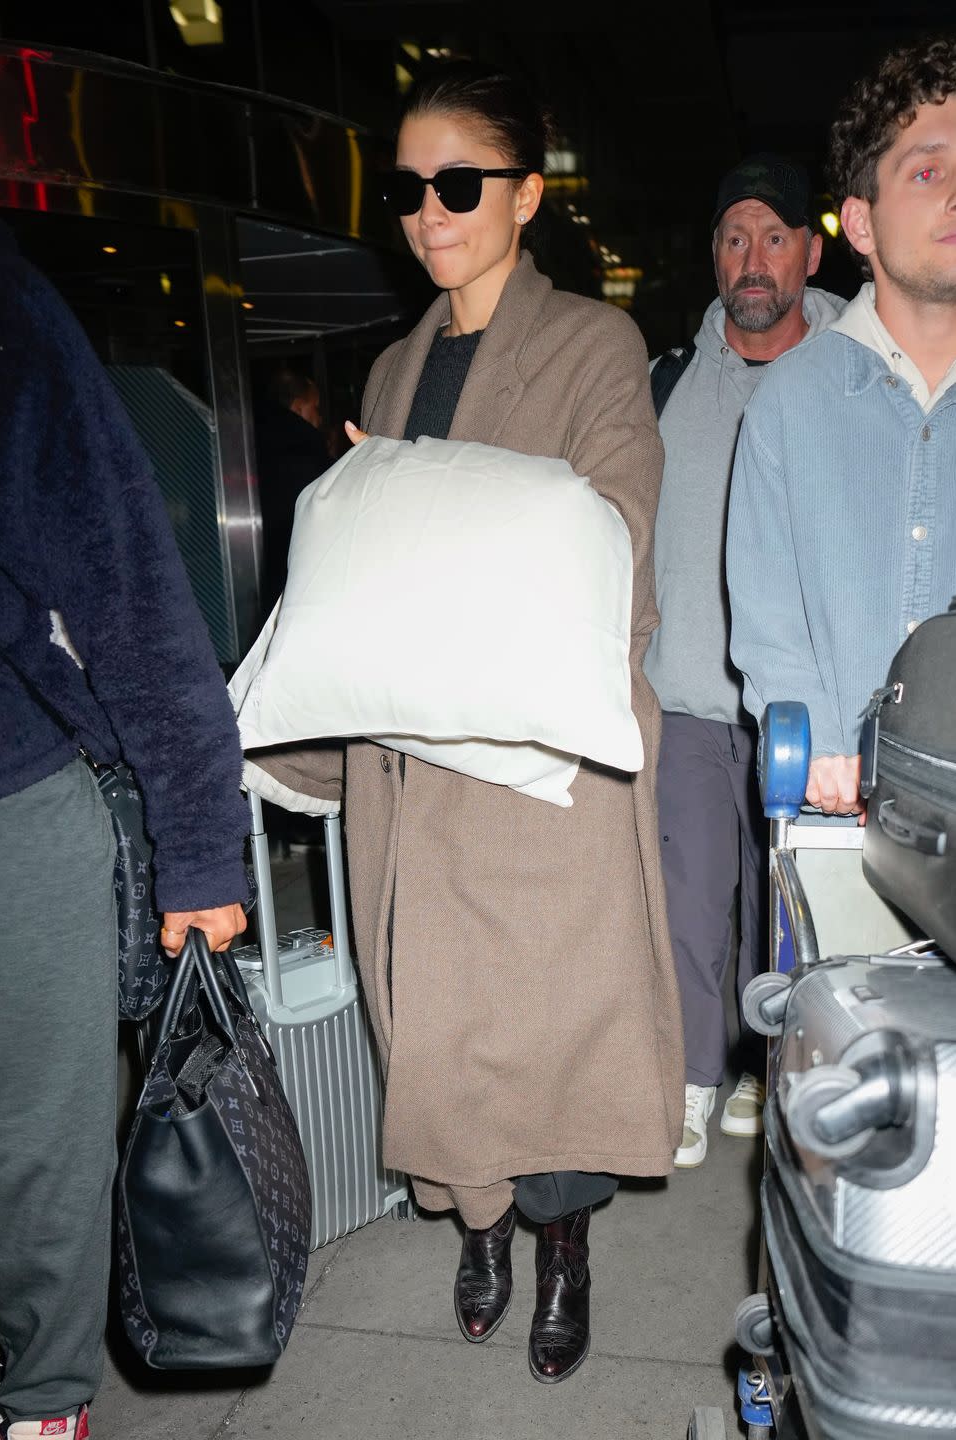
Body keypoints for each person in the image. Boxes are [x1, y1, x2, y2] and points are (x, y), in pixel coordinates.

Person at [331, 61, 684, 1383]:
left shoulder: (592, 344)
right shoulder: (392, 359)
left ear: (526, 196)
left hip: (536, 757)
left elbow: (616, 535)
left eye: (460, 185)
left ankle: (562, 1248)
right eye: (411, 188)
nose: (430, 212)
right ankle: (478, 1228)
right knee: (438, 1021)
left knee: (555, 1026)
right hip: (415, 764)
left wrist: (415, 490)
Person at [0, 192, 249, 1439]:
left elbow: (132, 593)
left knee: (34, 1153)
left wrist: (198, 846)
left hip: (5, 799)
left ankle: (40, 1402)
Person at [643, 155, 845, 1168]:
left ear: (810, 251)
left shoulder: (853, 373)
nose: (751, 259)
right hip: (685, 694)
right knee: (687, 900)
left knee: (787, 906)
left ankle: (771, 1069)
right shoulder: (668, 381)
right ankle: (693, 1074)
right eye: (732, 237)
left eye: (772, 237)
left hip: (804, 712)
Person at [727, 37, 956, 829]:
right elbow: (765, 616)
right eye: (927, 172)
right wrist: (823, 741)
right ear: (858, 223)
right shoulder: (788, 403)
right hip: (833, 828)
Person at [252, 368, 331, 612]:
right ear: (297, 407)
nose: (318, 417)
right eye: (314, 407)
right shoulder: (307, 447)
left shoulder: (248, 439)